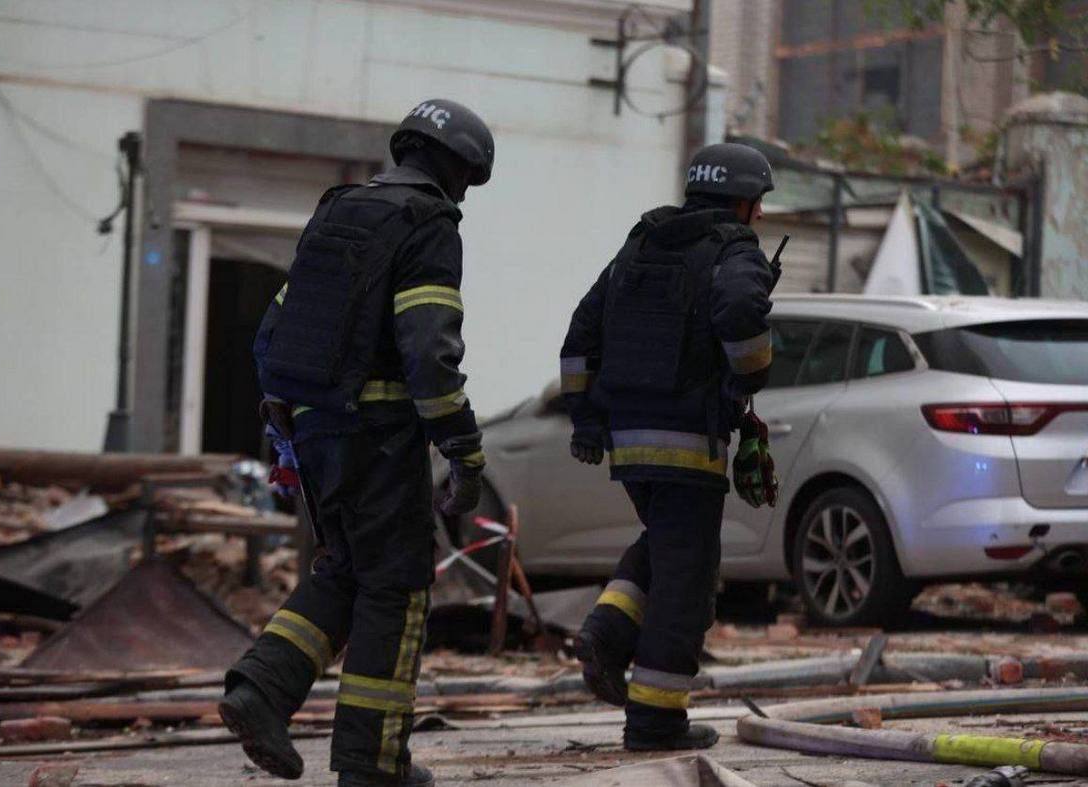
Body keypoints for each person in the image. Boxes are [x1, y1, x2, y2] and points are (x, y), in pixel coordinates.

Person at [218, 99, 494, 787]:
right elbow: (429, 350)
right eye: (467, 178)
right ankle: (373, 764)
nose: (464, 193)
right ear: (456, 167)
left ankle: (261, 688)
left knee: (346, 570)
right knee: (397, 585)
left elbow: (273, 333)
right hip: (379, 437)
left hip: (316, 433)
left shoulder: (338, 211)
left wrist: (290, 430)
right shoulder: (428, 224)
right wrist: (462, 447)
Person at [559, 142, 781, 751]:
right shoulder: (733, 249)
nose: (758, 216)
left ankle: (606, 630)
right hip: (688, 442)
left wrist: (585, 417)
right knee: (688, 582)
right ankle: (656, 722)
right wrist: (750, 372)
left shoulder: (641, 245)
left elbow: (581, 332)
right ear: (740, 200)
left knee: (666, 546)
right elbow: (741, 312)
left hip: (628, 445)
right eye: (757, 203)